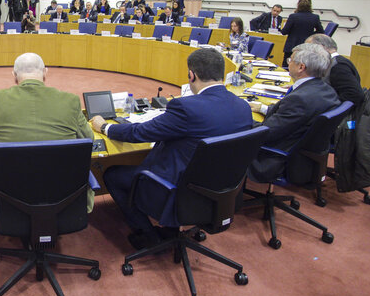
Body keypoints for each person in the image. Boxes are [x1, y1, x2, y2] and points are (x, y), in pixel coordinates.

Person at [91, 48, 253, 248]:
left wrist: (105, 127)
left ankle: (147, 234)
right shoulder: (244, 107)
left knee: (113, 175)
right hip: (218, 188)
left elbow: (139, 133)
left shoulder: (186, 107)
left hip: (178, 188)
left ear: (191, 75)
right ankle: (169, 226)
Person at [0, 53, 94, 210]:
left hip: (11, 195)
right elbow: (88, 140)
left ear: (14, 75)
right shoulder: (70, 100)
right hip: (63, 193)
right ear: (45, 72)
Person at [248, 43, 341, 182]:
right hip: (297, 149)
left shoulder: (300, 99)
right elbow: (289, 118)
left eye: (290, 60)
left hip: (273, 156)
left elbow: (267, 133)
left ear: (301, 67)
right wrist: (263, 108)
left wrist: (243, 119)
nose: (288, 63)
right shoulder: (326, 90)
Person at [307, 34, 364, 107]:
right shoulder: (332, 62)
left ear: (320, 47)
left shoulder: (339, 66)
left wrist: (325, 104)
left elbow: (354, 94)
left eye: (309, 49)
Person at [280, 0, 324, 65]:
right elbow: (321, 31)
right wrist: (310, 34)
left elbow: (284, 32)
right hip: (307, 47)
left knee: (287, 66)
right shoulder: (315, 17)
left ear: (298, 5)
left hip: (292, 46)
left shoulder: (293, 16)